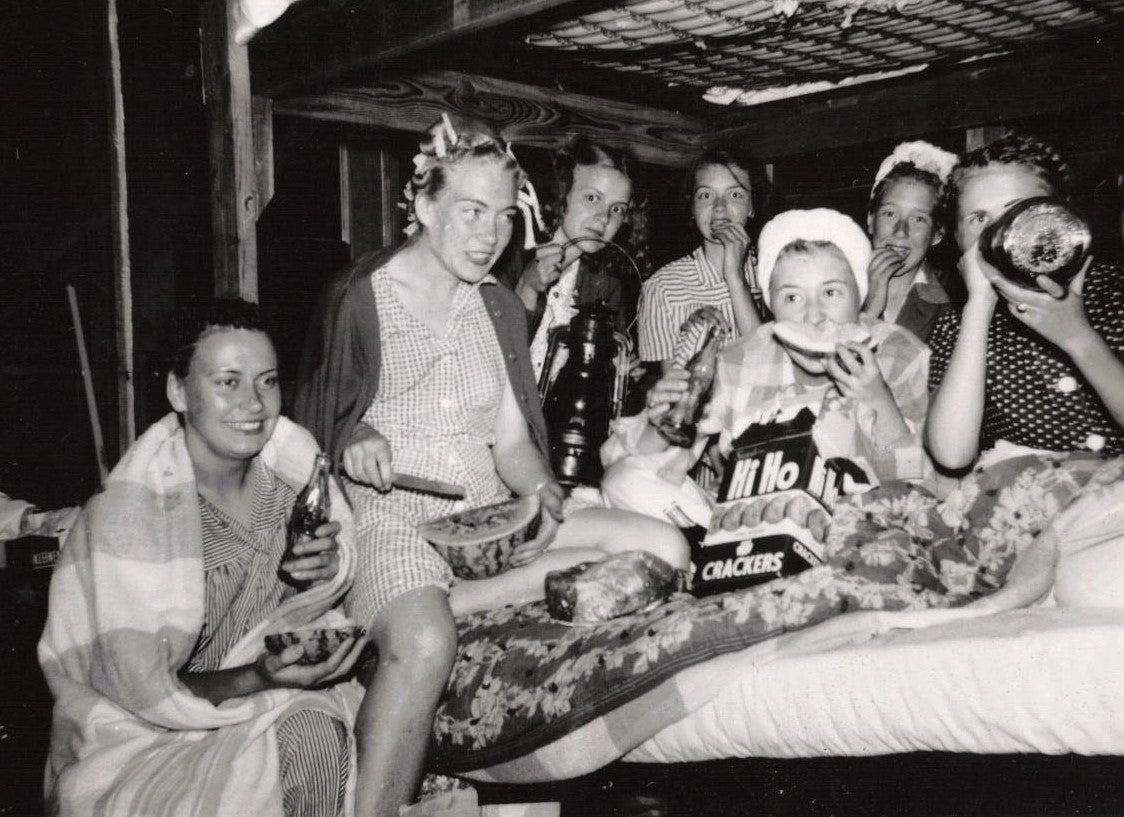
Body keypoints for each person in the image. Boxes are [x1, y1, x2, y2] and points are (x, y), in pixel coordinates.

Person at [294, 118, 687, 817]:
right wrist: (357, 437)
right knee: (423, 638)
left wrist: (542, 494)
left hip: (487, 519)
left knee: (663, 544)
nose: (490, 235)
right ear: (422, 204)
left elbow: (511, 444)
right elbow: (314, 438)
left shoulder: (497, 305)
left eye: (504, 216)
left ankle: (475, 591)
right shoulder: (360, 296)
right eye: (471, 211)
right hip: (395, 521)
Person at [39, 299, 364, 817]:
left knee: (322, 733)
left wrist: (329, 575)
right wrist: (258, 677)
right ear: (178, 390)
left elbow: (331, 601)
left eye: (268, 381)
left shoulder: (298, 490)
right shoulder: (124, 519)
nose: (254, 404)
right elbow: (135, 690)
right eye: (228, 382)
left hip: (282, 707)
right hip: (146, 740)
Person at [601, 208, 930, 526]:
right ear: (771, 306)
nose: (814, 316)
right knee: (623, 480)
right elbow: (628, 460)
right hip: (751, 525)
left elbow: (915, 492)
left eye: (831, 292)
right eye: (792, 298)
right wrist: (658, 422)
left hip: (851, 530)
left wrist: (879, 401)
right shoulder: (740, 359)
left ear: (859, 296)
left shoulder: (899, 353)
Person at [926, 133, 1124, 470]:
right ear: (957, 239)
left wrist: (1079, 339)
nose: (1000, 230)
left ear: (1059, 212)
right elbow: (952, 454)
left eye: (1020, 209)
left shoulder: (1115, 292)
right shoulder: (957, 325)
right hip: (1027, 506)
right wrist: (978, 309)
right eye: (979, 219)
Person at [494, 137, 646, 378]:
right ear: (562, 192)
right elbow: (489, 361)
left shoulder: (606, 287)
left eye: (617, 209)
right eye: (592, 198)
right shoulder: (504, 256)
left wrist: (618, 373)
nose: (603, 218)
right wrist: (527, 288)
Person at [637, 146, 769, 363]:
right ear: (692, 207)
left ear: (751, 207)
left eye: (735, 195)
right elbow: (670, 390)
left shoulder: (773, 271)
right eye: (706, 195)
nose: (719, 207)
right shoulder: (661, 288)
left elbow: (767, 367)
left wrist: (735, 278)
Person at [861, 140, 959, 344]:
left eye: (918, 219)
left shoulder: (956, 301)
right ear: (871, 221)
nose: (900, 232)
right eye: (889, 213)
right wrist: (868, 311)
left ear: (937, 234)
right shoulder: (834, 284)